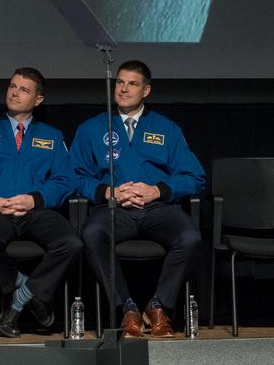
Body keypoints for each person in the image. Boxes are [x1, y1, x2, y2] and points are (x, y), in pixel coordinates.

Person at [69, 60, 205, 338]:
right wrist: (109, 192)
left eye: (132, 84)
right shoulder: (92, 128)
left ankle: (157, 306)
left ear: (146, 90)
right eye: (119, 82)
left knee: (190, 238)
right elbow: (73, 175)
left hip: (158, 209)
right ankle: (127, 308)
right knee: (93, 233)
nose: (123, 89)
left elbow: (195, 177)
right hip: (115, 210)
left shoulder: (166, 128)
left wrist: (158, 190)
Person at [0, 67, 81, 337]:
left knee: (71, 243)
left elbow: (65, 180)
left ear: (38, 99)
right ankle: (29, 292)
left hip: (34, 211)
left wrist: (34, 200)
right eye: (12, 86)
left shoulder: (52, 136)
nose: (15, 92)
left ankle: (21, 298)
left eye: (24, 89)